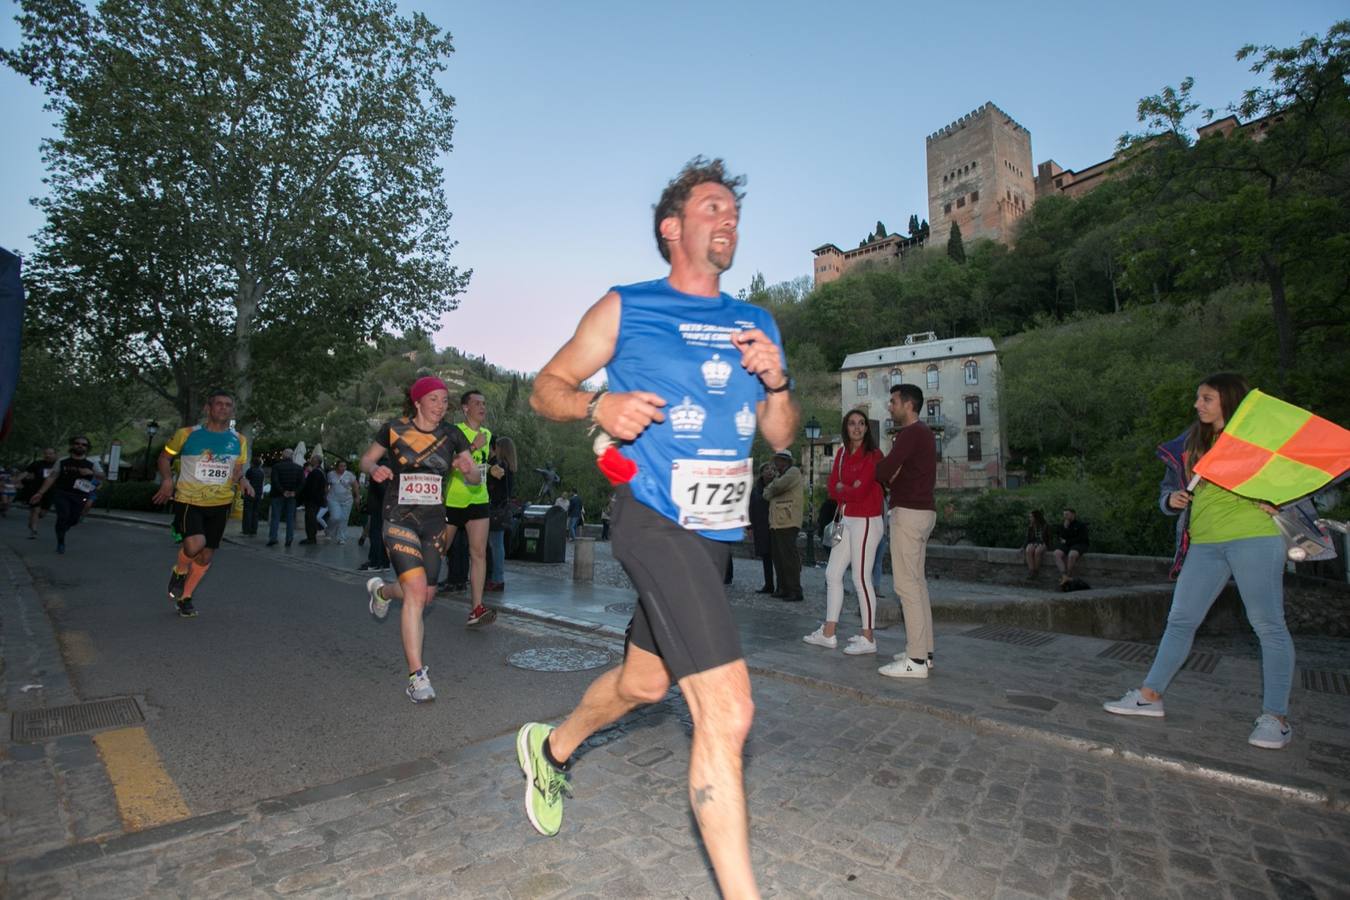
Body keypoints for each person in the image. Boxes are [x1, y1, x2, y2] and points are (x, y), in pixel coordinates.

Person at [515, 157, 795, 899]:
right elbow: (545, 388)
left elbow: (781, 434)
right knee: (727, 710)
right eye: (713, 208)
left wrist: (777, 382)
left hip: (716, 534)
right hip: (651, 517)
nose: (728, 219)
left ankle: (552, 748)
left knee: (647, 682)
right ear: (673, 228)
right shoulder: (627, 305)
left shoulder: (757, 322)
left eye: (734, 211)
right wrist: (596, 407)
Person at [1105, 373, 1296, 750]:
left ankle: (1276, 718)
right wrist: (1171, 499)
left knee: (1268, 625)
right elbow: (1166, 490)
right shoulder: (1189, 442)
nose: (1198, 405)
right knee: (1180, 620)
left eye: (1206, 398)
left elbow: (1299, 475)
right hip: (1204, 544)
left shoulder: (1260, 439)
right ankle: (1150, 696)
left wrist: (1282, 500)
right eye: (1198, 398)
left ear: (1227, 399)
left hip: (1254, 538)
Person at [360, 376, 477, 703]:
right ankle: (417, 676)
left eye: (444, 400)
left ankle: (382, 591)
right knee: (414, 590)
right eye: (435, 399)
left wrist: (468, 469)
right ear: (418, 402)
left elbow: (474, 475)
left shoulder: (452, 434)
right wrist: (374, 469)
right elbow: (367, 458)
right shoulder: (394, 428)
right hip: (398, 518)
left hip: (434, 523)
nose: (441, 406)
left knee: (424, 595)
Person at [151, 391, 252, 617]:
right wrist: (167, 480)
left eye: (228, 405)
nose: (223, 408)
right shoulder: (186, 434)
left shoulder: (240, 440)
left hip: (221, 503)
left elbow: (237, 470)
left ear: (232, 410)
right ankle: (179, 570)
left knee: (206, 555)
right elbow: (164, 457)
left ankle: (185, 597)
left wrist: (243, 480)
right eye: (219, 404)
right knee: (195, 545)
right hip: (189, 500)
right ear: (208, 408)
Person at [804, 410, 884, 654]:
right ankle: (829, 633)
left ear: (867, 429)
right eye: (852, 423)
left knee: (860, 578)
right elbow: (831, 489)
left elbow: (859, 492)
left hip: (867, 520)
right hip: (846, 518)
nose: (857, 428)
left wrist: (844, 488)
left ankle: (868, 637)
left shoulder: (874, 455)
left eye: (861, 424)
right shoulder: (840, 454)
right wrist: (846, 487)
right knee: (832, 573)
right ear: (846, 427)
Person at [875, 383, 938, 679]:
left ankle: (914, 660)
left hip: (909, 513)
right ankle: (924, 652)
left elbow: (883, 471)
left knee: (906, 586)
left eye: (894, 402)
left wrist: (889, 472)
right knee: (918, 583)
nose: (890, 406)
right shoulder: (925, 434)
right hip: (925, 512)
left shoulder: (910, 434)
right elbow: (894, 472)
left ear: (909, 405)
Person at [444, 389, 497, 627]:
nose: (482, 407)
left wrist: (493, 469)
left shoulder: (487, 433)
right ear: (465, 408)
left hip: (479, 498)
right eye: (477, 403)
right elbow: (449, 466)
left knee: (479, 553)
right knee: (439, 550)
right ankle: (415, 587)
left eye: (484, 403)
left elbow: (480, 467)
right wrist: (473, 447)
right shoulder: (455, 432)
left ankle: (476, 608)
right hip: (455, 499)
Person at [30, 436, 103, 554]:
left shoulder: (91, 463)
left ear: (87, 448)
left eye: (83, 444)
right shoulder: (62, 461)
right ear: (72, 445)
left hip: (80, 495)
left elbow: (102, 476)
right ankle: (61, 542)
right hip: (62, 493)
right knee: (63, 516)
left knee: (74, 519)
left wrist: (92, 472)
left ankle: (64, 528)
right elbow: (52, 477)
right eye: (77, 443)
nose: (80, 446)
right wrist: (40, 493)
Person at [763, 450, 804, 602]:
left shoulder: (793, 472)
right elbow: (766, 494)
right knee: (779, 558)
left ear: (785, 461)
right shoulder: (781, 476)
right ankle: (783, 588)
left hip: (788, 520)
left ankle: (794, 590)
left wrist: (772, 486)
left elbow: (776, 488)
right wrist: (772, 487)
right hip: (777, 522)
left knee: (788, 558)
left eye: (778, 461)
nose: (776, 464)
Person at [486, 435, 517, 592]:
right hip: (503, 509)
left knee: (495, 545)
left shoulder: (500, 467)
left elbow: (490, 485)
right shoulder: (510, 468)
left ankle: (497, 578)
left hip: (496, 509)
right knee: (498, 544)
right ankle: (497, 577)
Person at [358, 458, 391, 572]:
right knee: (383, 535)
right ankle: (385, 562)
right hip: (388, 506)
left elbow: (381, 487)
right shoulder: (392, 465)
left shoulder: (378, 468)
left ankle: (375, 562)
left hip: (379, 506)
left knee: (376, 533)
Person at [17, 447, 57, 538]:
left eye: (50, 453)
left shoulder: (58, 465)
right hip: (35, 490)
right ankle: (34, 530)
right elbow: (26, 472)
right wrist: (17, 480)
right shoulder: (37, 463)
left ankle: (32, 520)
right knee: (35, 510)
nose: (48, 455)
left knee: (42, 513)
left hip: (50, 491)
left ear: (55, 454)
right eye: (46, 453)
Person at [267, 449, 303, 546]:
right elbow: (302, 483)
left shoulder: (276, 467)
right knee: (290, 518)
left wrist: (283, 491)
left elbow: (275, 481)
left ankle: (273, 538)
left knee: (275, 517)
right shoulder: (299, 468)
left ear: (283, 456)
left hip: (277, 495)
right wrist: (294, 492)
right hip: (292, 496)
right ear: (292, 456)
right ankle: (289, 538)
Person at [749, 463, 775, 593]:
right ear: (761, 472)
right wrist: (750, 527)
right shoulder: (755, 489)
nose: (770, 471)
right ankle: (769, 584)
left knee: (779, 557)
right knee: (766, 556)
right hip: (761, 526)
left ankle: (784, 585)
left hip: (775, 525)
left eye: (772, 469)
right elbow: (751, 508)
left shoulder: (777, 486)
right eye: (767, 469)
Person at [325, 459, 358, 544]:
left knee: (344, 519)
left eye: (344, 466)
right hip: (333, 499)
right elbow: (327, 485)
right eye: (341, 466)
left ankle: (341, 538)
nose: (343, 468)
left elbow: (355, 485)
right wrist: (325, 495)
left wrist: (357, 497)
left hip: (347, 500)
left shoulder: (349, 475)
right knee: (335, 517)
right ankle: (328, 531)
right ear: (337, 467)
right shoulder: (330, 474)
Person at [1053, 508, 1089, 584]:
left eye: (1067, 514)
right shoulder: (1063, 525)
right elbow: (1060, 537)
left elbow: (1082, 538)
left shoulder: (1081, 525)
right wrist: (1065, 528)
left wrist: (1067, 541)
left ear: (1073, 514)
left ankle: (1068, 576)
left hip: (1079, 544)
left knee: (1072, 555)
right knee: (1056, 553)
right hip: (1067, 545)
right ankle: (1064, 576)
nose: (1065, 516)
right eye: (1064, 515)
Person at [298, 455, 326, 544]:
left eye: (312, 459)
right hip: (316, 500)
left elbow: (312, 488)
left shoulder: (315, 473)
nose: (311, 460)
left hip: (312, 500)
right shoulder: (320, 472)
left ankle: (311, 537)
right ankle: (311, 537)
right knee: (311, 518)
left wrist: (306, 498)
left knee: (310, 518)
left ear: (316, 461)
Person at [1024, 509, 1052, 579]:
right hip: (1034, 542)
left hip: (1043, 543)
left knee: (1038, 551)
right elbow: (1028, 538)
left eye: (1031, 517)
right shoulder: (1031, 527)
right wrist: (1023, 546)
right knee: (1028, 550)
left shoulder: (1046, 526)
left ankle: (1036, 571)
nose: (1030, 518)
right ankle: (1031, 571)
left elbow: (1049, 538)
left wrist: (1048, 546)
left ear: (1036, 517)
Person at [241, 456, 266, 536]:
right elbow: (262, 484)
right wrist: (262, 494)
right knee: (255, 512)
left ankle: (246, 529)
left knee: (247, 512)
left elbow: (246, 483)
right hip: (258, 494)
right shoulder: (262, 472)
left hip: (249, 493)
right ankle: (254, 529)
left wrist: (243, 493)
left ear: (252, 463)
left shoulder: (250, 471)